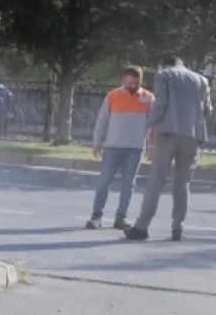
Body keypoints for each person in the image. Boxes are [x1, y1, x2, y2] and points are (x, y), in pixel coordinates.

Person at [124, 56, 213, 242]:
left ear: (166, 65)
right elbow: (207, 111)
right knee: (183, 185)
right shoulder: (202, 80)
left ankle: (141, 227)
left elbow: (160, 103)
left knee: (156, 180)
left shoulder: (164, 75)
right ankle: (177, 229)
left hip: (166, 133)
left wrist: (151, 124)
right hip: (192, 136)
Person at [85, 66, 152, 230]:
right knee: (105, 181)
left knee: (129, 184)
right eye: (129, 81)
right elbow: (102, 121)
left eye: (135, 82)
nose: (132, 85)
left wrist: (151, 146)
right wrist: (97, 142)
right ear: (123, 80)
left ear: (140, 81)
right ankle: (96, 216)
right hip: (112, 147)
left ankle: (121, 218)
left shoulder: (149, 98)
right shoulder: (112, 96)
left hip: (135, 149)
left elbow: (152, 126)